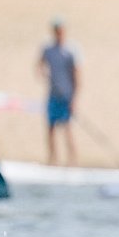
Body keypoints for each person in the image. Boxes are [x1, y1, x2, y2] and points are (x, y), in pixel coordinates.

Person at [36, 17, 80, 165]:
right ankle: (52, 159)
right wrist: (42, 73)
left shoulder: (70, 51)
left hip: (66, 95)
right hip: (53, 94)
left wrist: (74, 99)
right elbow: (39, 64)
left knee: (67, 128)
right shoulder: (48, 49)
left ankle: (72, 160)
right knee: (51, 128)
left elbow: (77, 77)